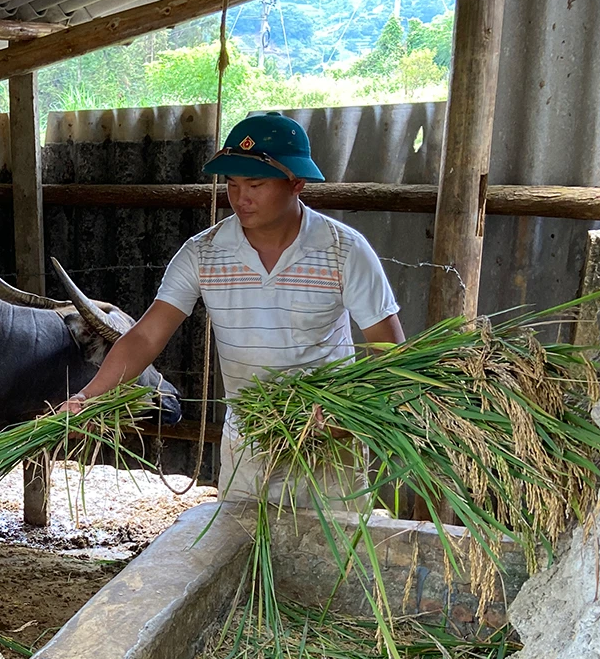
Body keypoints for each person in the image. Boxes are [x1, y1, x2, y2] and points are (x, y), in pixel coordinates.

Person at [63, 111, 405, 508]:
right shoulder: (202, 253)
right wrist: (88, 398)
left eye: (256, 184)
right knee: (245, 557)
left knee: (331, 561)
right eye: (232, 183)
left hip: (327, 445)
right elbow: (145, 336)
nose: (241, 198)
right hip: (248, 442)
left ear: (296, 183)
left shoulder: (343, 250)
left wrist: (346, 420)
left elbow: (390, 353)